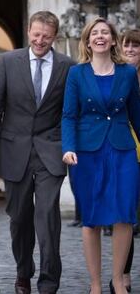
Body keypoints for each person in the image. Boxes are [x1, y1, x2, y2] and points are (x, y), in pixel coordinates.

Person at [0, 11, 75, 294]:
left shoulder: (67, 66)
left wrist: (69, 146)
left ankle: (49, 281)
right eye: (36, 34)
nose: (40, 40)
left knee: (47, 215)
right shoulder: (9, 61)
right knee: (19, 217)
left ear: (54, 37)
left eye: (46, 36)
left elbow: (70, 111)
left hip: (51, 152)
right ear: (28, 31)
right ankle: (23, 272)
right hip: (14, 152)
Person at [62, 17, 140, 294]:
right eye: (94, 33)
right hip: (87, 152)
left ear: (113, 39)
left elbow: (137, 115)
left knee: (125, 215)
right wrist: (68, 147)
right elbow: (69, 115)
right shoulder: (77, 74)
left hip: (122, 150)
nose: (100, 36)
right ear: (87, 40)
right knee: (91, 218)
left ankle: (118, 279)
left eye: (105, 32)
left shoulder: (128, 74)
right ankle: (95, 284)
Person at [120, 28, 140, 293]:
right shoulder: (116, 77)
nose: (131, 50)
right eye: (126, 46)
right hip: (125, 153)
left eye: (136, 46)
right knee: (126, 218)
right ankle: (123, 275)